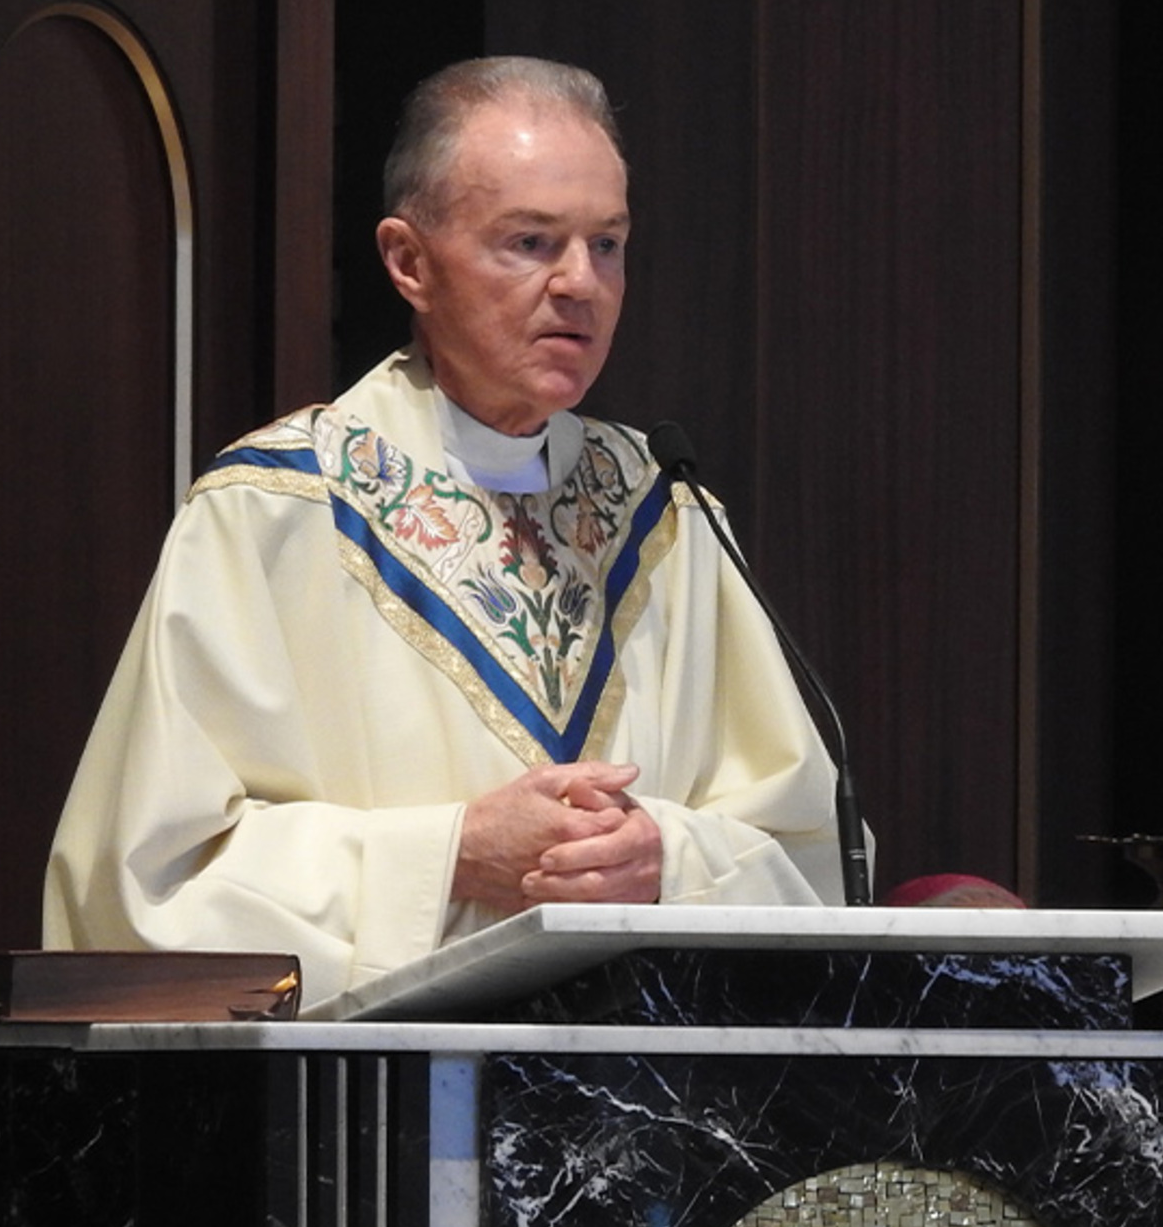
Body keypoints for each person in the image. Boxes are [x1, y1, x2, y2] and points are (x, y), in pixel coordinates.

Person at [43, 56, 846, 1002]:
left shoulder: (663, 513)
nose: (581, 283)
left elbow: (814, 858)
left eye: (608, 243)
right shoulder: (277, 509)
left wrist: (666, 858)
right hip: (378, 1083)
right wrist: (454, 853)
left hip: (639, 1081)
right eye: (532, 242)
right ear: (409, 262)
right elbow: (151, 888)